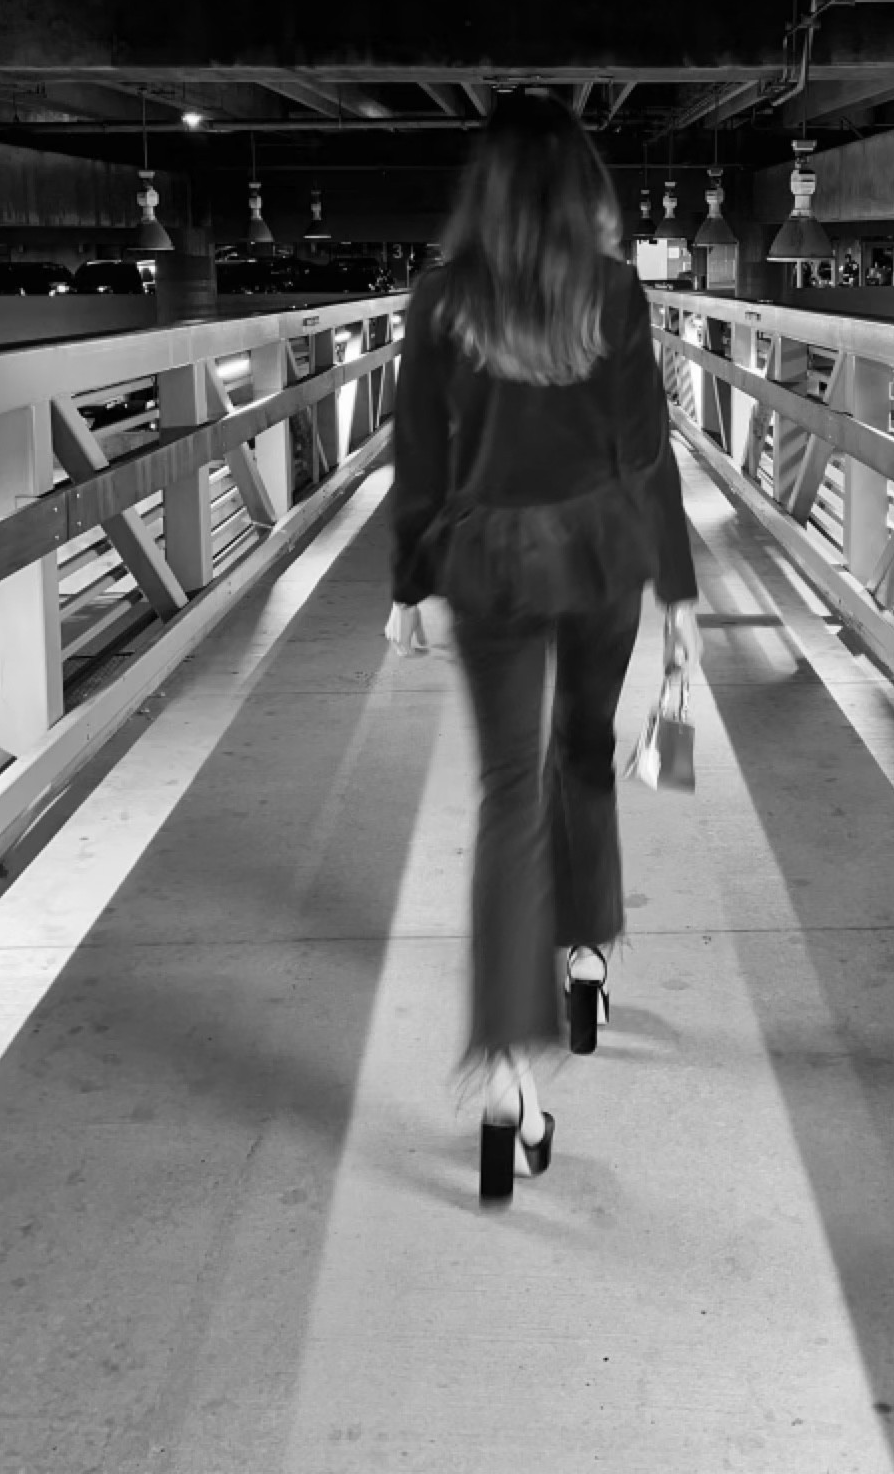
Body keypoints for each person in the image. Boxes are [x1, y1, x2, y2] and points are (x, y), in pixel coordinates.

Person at [384, 92, 702, 1205]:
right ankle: (587, 957)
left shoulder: (440, 301)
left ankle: (508, 1075)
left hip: (490, 565)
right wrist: (680, 592)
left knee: (509, 795)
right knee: (585, 752)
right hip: (603, 551)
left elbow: (419, 458)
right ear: (582, 192)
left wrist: (409, 584)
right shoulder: (614, 294)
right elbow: (648, 453)